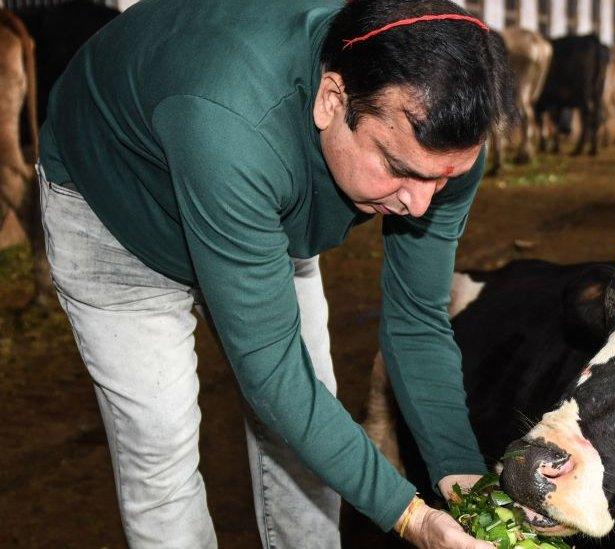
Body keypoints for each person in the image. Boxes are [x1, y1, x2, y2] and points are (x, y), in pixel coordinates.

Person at [36, 0, 516, 547]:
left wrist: (462, 478)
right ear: (332, 100)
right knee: (161, 446)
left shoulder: (438, 154)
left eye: (442, 181)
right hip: (120, 210)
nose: (421, 206)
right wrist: (411, 517)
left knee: (313, 427)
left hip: (262, 204)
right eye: (398, 169)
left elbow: (417, 319)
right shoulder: (232, 122)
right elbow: (272, 373)